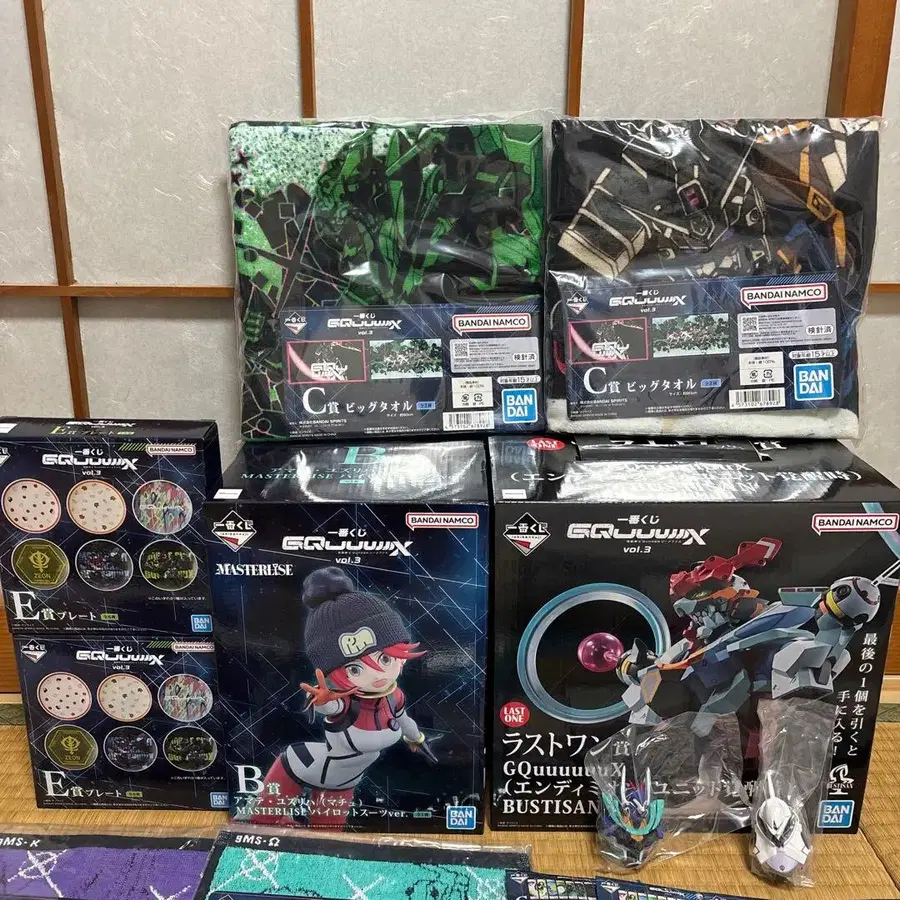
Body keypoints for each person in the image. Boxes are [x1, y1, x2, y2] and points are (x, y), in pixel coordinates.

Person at [250, 566, 436, 828]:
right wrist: (324, 700)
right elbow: (331, 706)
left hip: (343, 783)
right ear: (333, 673)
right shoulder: (344, 703)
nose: (378, 674)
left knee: (329, 838)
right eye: (355, 669)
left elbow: (404, 720)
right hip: (298, 766)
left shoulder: (394, 697)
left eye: (385, 659)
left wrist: (417, 740)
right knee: (260, 826)